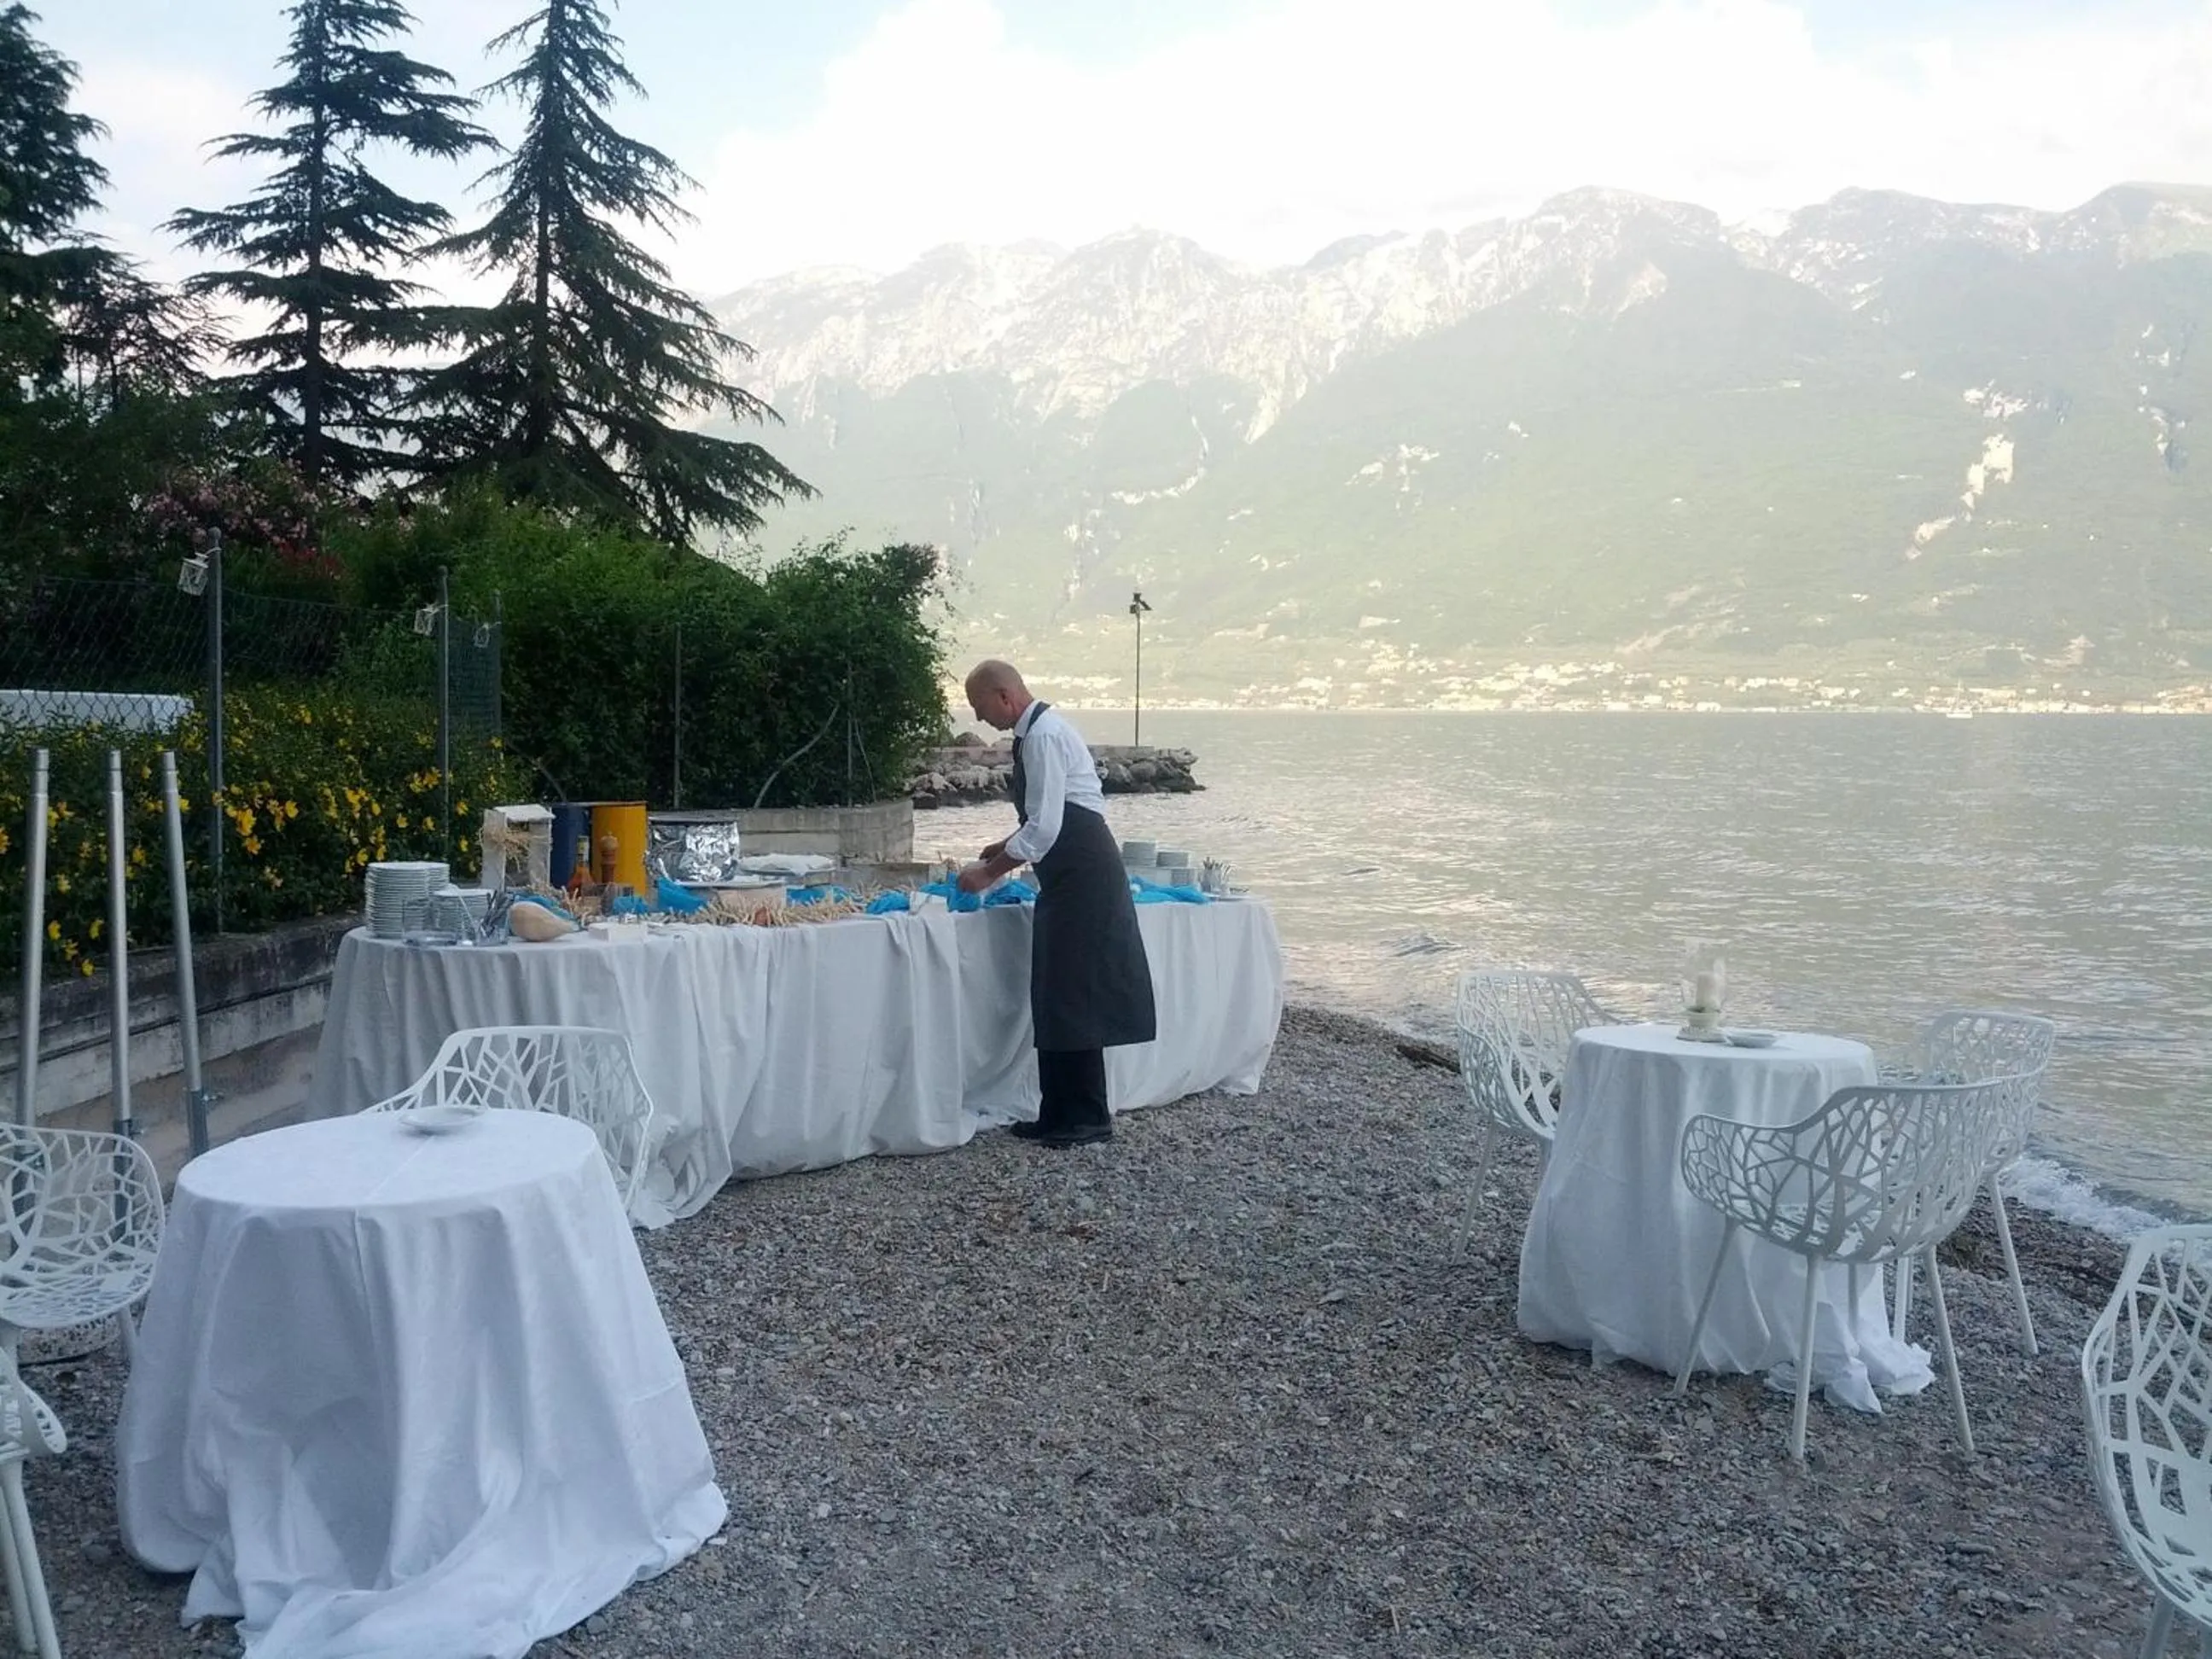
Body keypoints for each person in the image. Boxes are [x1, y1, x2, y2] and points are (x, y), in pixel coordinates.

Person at [958, 660, 1156, 1147]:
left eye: (980, 708)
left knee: (1078, 993)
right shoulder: (1036, 733)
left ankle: (1088, 1118)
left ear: (1004, 696)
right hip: (1066, 875)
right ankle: (1056, 1111)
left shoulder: (1044, 735)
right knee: (1056, 990)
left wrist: (988, 873)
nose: (980, 721)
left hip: (1084, 875)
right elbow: (1051, 811)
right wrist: (1006, 841)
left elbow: (1047, 827)